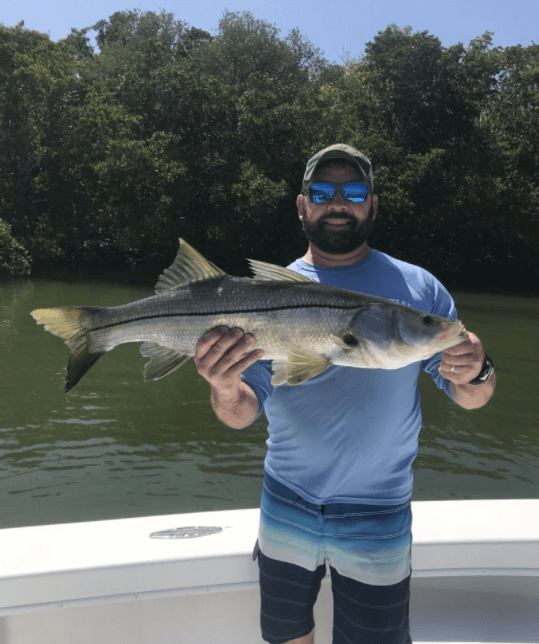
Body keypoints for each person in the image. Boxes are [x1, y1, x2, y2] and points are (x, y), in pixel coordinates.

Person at [193, 144, 496, 644]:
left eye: (353, 191)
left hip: (378, 512)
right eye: (323, 191)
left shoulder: (420, 292)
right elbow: (241, 413)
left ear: (372, 204)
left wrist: (477, 371)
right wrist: (225, 386)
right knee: (288, 637)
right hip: (286, 502)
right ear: (302, 205)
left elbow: (470, 396)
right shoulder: (268, 294)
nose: (338, 202)